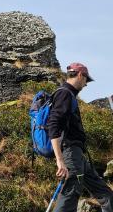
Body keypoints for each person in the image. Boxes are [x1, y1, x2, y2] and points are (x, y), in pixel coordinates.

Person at [48, 62, 113, 211]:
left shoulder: (68, 95)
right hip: (70, 153)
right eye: (86, 80)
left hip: (78, 155)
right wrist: (60, 160)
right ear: (79, 75)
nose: (86, 85)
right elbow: (54, 125)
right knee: (70, 195)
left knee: (106, 194)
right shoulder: (64, 93)